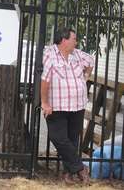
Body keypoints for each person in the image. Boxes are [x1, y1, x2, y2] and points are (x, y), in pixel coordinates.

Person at [41, 27, 94, 185]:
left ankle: (68, 175)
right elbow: (45, 80)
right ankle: (81, 168)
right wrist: (44, 102)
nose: (76, 42)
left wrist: (85, 77)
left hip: (77, 105)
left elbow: (91, 60)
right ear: (64, 40)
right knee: (58, 137)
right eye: (74, 39)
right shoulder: (50, 54)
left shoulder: (77, 54)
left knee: (72, 141)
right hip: (57, 105)